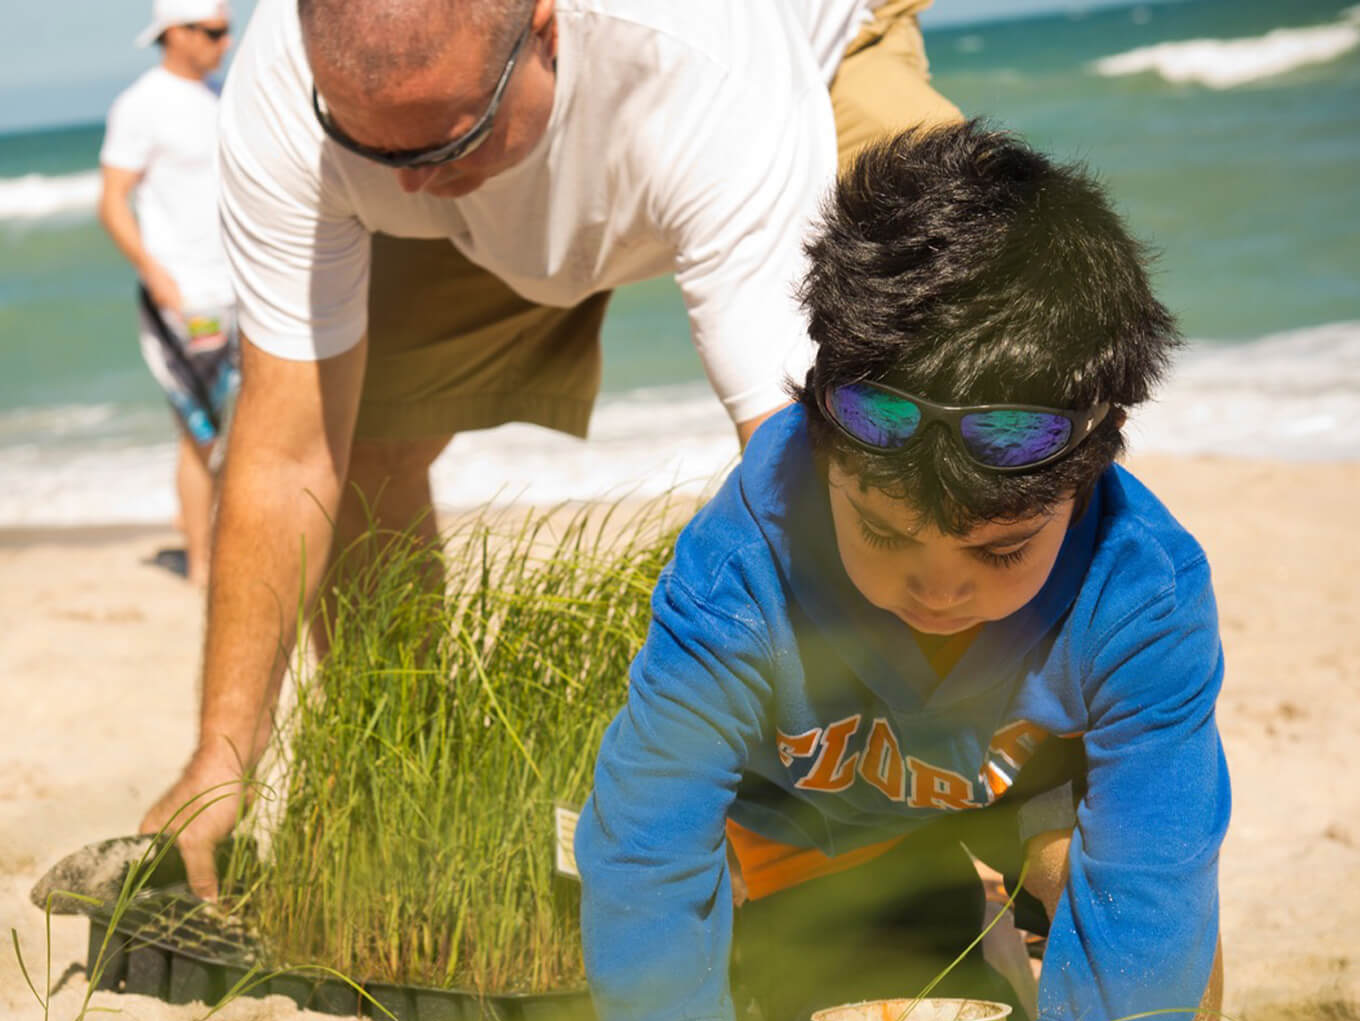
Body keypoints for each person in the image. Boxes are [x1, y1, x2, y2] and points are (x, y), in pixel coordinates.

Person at [571, 122, 1295, 1021]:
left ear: (1092, 469)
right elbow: (643, 851)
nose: (939, 588)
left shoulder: (1144, 586)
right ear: (825, 444)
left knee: (1106, 881)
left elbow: (1152, 895)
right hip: (803, 818)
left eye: (998, 552)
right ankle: (957, 932)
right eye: (885, 533)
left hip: (1016, 798)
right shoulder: (745, 553)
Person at [138, 0, 963, 898]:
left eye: (444, 142)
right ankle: (416, 791)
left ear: (545, 26)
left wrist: (850, 780)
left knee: (954, 382)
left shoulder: (703, 63)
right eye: (375, 149)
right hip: (497, 152)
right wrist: (223, 753)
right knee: (368, 435)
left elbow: (792, 454)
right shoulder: (292, 94)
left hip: (811, 52)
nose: (409, 183)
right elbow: (288, 450)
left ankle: (1010, 805)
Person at [99, 0, 239, 587]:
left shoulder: (219, 98)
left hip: (241, 292)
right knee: (200, 433)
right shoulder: (141, 104)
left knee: (248, 425)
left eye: (228, 31)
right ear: (175, 34)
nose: (225, 43)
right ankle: (202, 567)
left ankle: (226, 546)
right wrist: (154, 272)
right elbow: (112, 201)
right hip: (188, 302)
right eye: (212, 32)